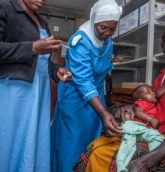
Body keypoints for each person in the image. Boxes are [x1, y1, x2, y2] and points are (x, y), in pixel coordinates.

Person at [73, 15, 165, 172]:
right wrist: (130, 109)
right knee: (97, 146)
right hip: (157, 134)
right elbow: (153, 107)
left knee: (106, 156)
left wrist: (144, 163)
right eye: (164, 39)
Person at [0, 0, 71, 171]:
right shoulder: (2, 7)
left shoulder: (42, 21)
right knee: (2, 142)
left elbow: (41, 61)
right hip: (10, 91)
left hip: (37, 91)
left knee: (26, 141)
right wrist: (32, 48)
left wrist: (56, 70)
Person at [50, 0, 122, 171]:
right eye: (103, 27)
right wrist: (103, 112)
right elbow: (82, 80)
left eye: (112, 29)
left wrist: (102, 109)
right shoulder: (80, 41)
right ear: (94, 20)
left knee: (92, 139)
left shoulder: (107, 40)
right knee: (72, 142)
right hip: (75, 98)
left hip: (96, 97)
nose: (107, 33)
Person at [116, 84, 164, 172]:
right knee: (127, 145)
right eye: (148, 93)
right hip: (137, 128)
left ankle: (153, 161)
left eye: (152, 91)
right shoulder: (141, 103)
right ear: (140, 98)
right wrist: (151, 119)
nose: (153, 93)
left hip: (146, 130)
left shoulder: (154, 105)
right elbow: (138, 113)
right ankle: (121, 167)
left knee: (157, 138)